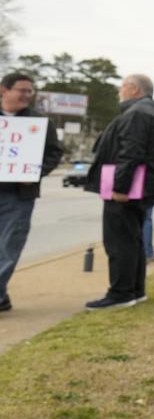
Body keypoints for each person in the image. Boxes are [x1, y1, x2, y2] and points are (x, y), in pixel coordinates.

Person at [84, 74, 154, 310]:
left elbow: (131, 152)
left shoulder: (138, 113)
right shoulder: (146, 112)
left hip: (127, 188)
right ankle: (135, 290)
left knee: (119, 240)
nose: (119, 92)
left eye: (121, 87)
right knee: (132, 238)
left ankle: (121, 293)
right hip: (140, 185)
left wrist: (120, 187)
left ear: (133, 89)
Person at [0, 73, 63, 313]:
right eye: (21, 90)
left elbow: (53, 154)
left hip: (18, 195)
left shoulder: (39, 122)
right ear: (4, 90)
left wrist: (35, 173)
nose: (27, 95)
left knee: (8, 246)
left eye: (30, 91)